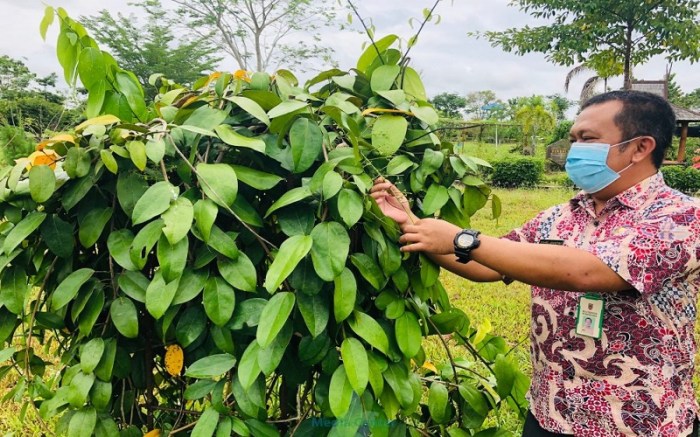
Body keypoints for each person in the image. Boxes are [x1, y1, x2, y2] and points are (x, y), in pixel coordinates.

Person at [370, 90, 700, 436]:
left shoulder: (681, 218)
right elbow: (489, 264)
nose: (575, 150)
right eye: (573, 139)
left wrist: (462, 238)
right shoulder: (560, 216)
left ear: (639, 147)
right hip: (551, 413)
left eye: (588, 139)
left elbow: (588, 270)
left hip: (640, 421)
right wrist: (413, 226)